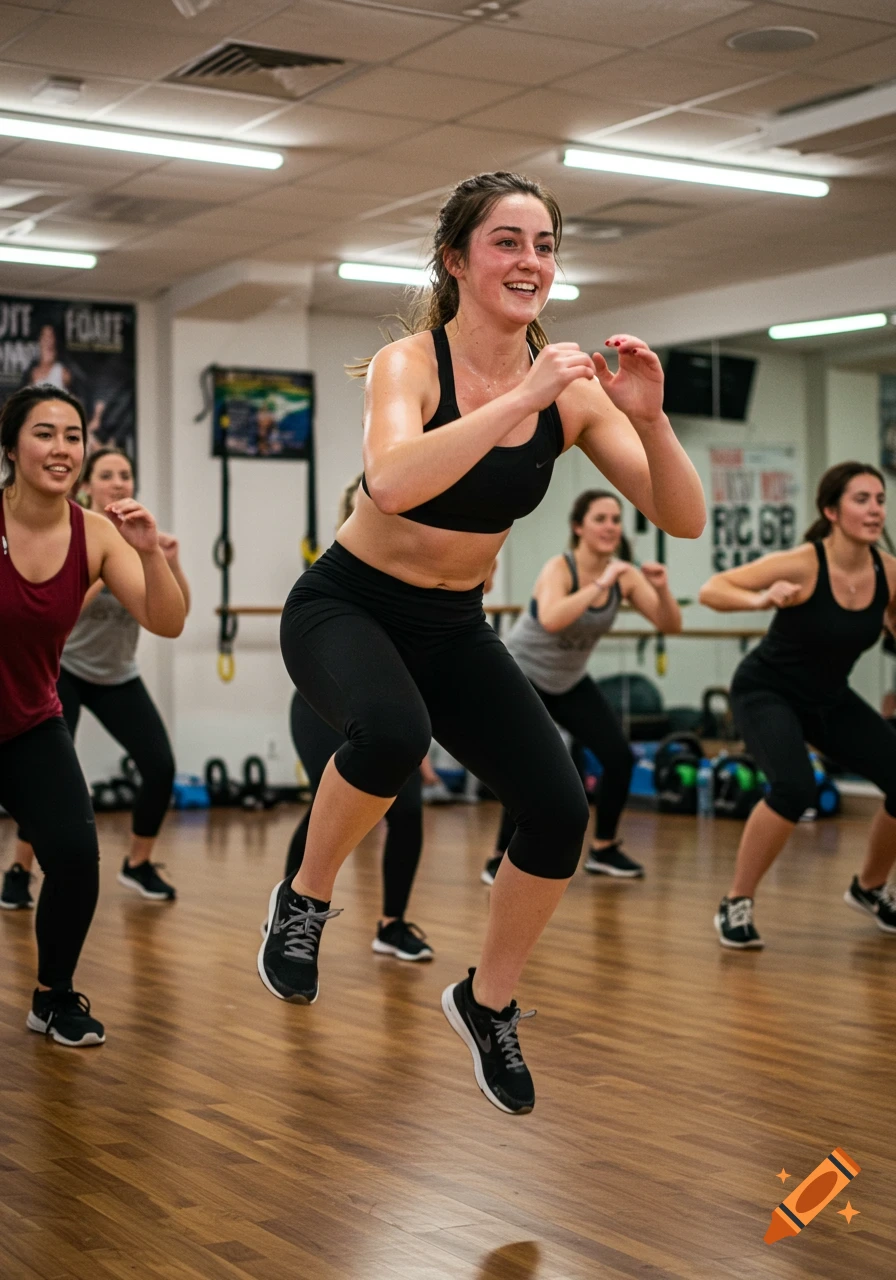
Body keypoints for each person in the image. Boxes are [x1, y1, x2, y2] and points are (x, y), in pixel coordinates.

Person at [259, 169, 704, 1115]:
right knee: (389, 732)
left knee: (557, 807)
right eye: (508, 242)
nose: (530, 262)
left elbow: (683, 516)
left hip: (455, 626)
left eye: (544, 246)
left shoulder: (572, 398)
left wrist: (653, 419)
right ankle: (304, 898)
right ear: (457, 260)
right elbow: (389, 482)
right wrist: (521, 394)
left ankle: (486, 1001)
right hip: (348, 604)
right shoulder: (410, 365)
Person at [0, 386, 185, 1046]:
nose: (61, 449)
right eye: (44, 433)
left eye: (73, 435)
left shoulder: (97, 534)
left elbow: (166, 621)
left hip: (27, 723)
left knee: (76, 855)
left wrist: (148, 552)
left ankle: (53, 997)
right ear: (12, 446)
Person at [699, 462, 896, 949]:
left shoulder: (888, 572)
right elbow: (712, 590)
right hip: (766, 691)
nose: (875, 510)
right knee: (792, 787)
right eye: (862, 499)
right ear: (831, 510)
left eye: (880, 499)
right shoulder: (805, 562)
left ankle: (869, 888)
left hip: (828, 698)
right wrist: (763, 599)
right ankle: (735, 903)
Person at [1, 447, 190, 910]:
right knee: (48, 781)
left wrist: (167, 561)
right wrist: (103, 574)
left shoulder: (135, 536)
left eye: (126, 475)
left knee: (160, 766)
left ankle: (138, 864)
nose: (119, 483)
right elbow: (60, 613)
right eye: (108, 475)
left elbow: (171, 615)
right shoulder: (77, 535)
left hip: (118, 674)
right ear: (88, 484)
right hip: (64, 670)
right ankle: (19, 870)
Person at [483, 488, 682, 886]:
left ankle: (604, 848)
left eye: (615, 519)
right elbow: (553, 618)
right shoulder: (560, 568)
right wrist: (598, 585)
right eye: (600, 519)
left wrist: (659, 587)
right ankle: (500, 858)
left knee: (619, 757)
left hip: (569, 680)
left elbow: (670, 624)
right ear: (578, 527)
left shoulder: (623, 577)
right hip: (524, 675)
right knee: (530, 766)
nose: (610, 527)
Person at [281, 475, 432, 962]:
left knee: (407, 810)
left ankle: (392, 925)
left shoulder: (416, 573)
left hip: (386, 719)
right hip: (318, 705)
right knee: (326, 807)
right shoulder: (337, 576)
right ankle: (291, 915)